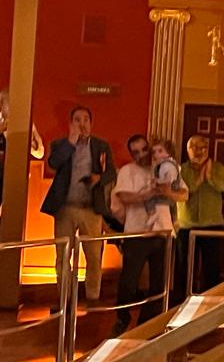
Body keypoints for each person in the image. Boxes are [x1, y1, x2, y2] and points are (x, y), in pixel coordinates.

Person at [110, 135, 185, 336]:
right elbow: (123, 196)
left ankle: (148, 324)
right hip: (136, 233)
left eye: (144, 149)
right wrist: (147, 195)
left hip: (161, 233)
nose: (141, 155)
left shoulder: (164, 167)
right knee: (129, 281)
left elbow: (183, 194)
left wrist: (168, 192)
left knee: (159, 282)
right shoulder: (127, 171)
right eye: (135, 152)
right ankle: (122, 319)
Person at [42, 105, 118, 302]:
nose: (82, 124)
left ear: (91, 124)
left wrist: (97, 179)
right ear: (71, 123)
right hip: (65, 208)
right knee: (62, 255)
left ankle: (93, 297)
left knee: (93, 256)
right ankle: (64, 297)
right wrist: (71, 142)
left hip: (91, 208)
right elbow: (53, 163)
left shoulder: (101, 146)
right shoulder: (60, 144)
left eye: (86, 120)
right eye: (77, 120)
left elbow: (111, 172)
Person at [173, 135, 224, 304]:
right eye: (194, 147)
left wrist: (210, 175)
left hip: (212, 225)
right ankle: (181, 304)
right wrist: (199, 179)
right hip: (186, 226)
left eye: (202, 147)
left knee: (211, 269)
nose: (198, 151)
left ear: (208, 149)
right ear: (187, 150)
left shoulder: (218, 167)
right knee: (184, 268)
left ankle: (210, 304)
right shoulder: (180, 170)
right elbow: (184, 193)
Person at [147, 136, 186, 231]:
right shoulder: (158, 167)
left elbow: (170, 179)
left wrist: (158, 182)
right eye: (154, 152)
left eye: (160, 151)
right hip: (162, 199)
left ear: (169, 152)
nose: (156, 154)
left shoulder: (168, 165)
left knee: (162, 210)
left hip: (165, 200)